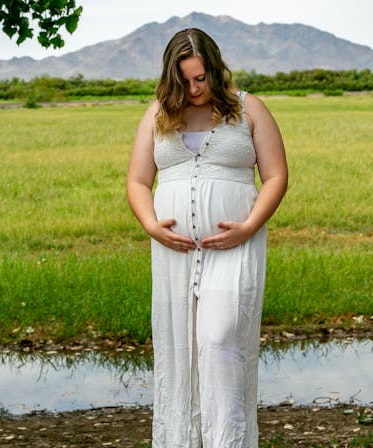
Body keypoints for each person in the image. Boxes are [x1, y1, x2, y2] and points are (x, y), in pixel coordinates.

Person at [126, 28, 288, 448]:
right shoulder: (157, 114)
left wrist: (249, 226)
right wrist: (152, 225)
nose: (194, 89)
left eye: (201, 78)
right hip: (175, 253)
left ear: (215, 69)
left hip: (235, 248)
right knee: (181, 353)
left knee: (219, 343)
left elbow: (276, 176)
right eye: (184, 81)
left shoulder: (249, 109)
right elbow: (138, 181)